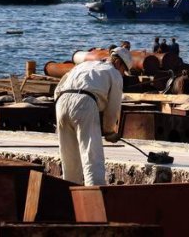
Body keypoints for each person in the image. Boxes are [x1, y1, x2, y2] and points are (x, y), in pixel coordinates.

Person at [54, 46, 133, 185]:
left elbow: (59, 87)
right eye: (123, 70)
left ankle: (68, 195)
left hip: (61, 102)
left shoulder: (83, 65)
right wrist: (109, 131)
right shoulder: (113, 73)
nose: (122, 74)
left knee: (69, 158)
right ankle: (94, 197)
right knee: (92, 157)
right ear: (119, 64)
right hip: (85, 103)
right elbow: (113, 108)